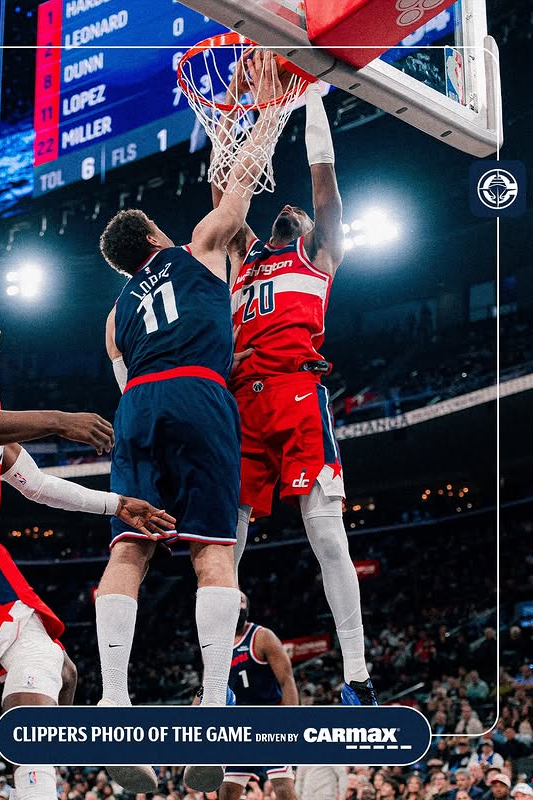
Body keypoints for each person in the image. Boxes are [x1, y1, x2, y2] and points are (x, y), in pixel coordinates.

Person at [0, 279, 175, 800]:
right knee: (37, 657)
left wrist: (119, 505)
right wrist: (58, 421)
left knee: (60, 672)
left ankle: (70, 757)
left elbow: (38, 486)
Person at [96, 51, 284, 794]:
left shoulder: (113, 315)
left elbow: (123, 373)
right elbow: (237, 186)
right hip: (199, 392)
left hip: (136, 399)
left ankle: (114, 707)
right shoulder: (200, 245)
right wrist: (269, 105)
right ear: (154, 237)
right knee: (212, 552)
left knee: (132, 550)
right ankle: (212, 706)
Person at [213, 76, 375, 704]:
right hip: (240, 403)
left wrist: (309, 98)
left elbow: (323, 180)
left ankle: (357, 675)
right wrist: (230, 115)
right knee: (227, 534)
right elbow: (224, 188)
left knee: (326, 530)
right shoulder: (247, 254)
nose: (292, 212)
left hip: (296, 394)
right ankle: (215, 676)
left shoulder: (318, 251)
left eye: (301, 214)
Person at [221, 592, 298, 800]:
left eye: (243, 602)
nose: (238, 605)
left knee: (282, 786)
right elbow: (205, 688)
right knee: (227, 791)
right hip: (239, 729)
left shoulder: (262, 636)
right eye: (234, 601)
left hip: (269, 721)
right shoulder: (217, 646)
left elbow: (287, 680)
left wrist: (294, 720)